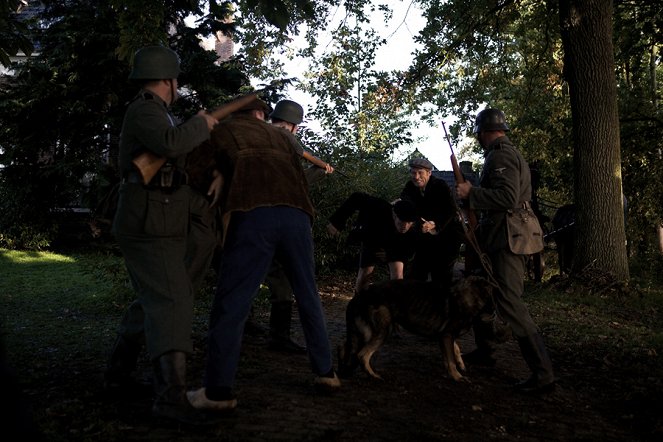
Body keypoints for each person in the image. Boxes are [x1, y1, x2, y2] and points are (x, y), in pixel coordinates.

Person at [187, 99, 340, 413]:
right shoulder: (286, 139)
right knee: (308, 295)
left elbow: (193, 169)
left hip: (253, 214)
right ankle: (326, 373)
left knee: (232, 301)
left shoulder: (227, 130)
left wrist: (218, 174)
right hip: (298, 217)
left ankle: (218, 391)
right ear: (262, 115)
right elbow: (297, 177)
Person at [109, 45, 219, 425]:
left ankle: (117, 376)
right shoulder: (144, 109)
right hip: (148, 223)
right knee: (172, 301)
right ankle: (170, 400)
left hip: (158, 220)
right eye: (176, 80)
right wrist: (202, 123)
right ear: (169, 80)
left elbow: (174, 162)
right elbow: (170, 145)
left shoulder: (158, 113)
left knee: (155, 299)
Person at [456, 108, 556, 394]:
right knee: (483, 291)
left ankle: (543, 373)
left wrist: (471, 194)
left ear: (484, 132)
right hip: (499, 237)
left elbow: (507, 197)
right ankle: (485, 351)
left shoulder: (500, 155)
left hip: (506, 240)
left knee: (510, 303)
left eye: (478, 133)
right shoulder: (503, 153)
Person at [326, 193, 418, 292]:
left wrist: (391, 255)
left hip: (395, 246)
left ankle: (395, 305)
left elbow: (409, 251)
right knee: (364, 278)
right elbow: (357, 197)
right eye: (401, 223)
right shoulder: (379, 207)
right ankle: (359, 303)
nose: (405, 227)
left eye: (409, 223)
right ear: (394, 215)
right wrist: (337, 222)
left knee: (397, 278)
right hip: (373, 240)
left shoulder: (414, 229)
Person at [400, 158, 463, 285]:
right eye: (413, 173)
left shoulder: (440, 186)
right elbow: (405, 203)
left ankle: (441, 303)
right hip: (425, 239)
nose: (416, 177)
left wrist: (434, 224)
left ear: (429, 173)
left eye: (420, 173)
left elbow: (450, 210)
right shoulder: (410, 187)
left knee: (440, 278)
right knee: (415, 275)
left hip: (447, 238)